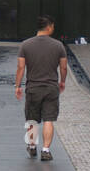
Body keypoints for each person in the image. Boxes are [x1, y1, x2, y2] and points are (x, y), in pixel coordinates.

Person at [15, 15, 67, 162]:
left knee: (32, 119)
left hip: (33, 87)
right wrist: (62, 81)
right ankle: (46, 149)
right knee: (49, 119)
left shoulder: (26, 45)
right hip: (51, 87)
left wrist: (18, 85)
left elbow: (20, 67)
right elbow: (63, 67)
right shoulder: (58, 46)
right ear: (49, 27)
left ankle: (32, 147)